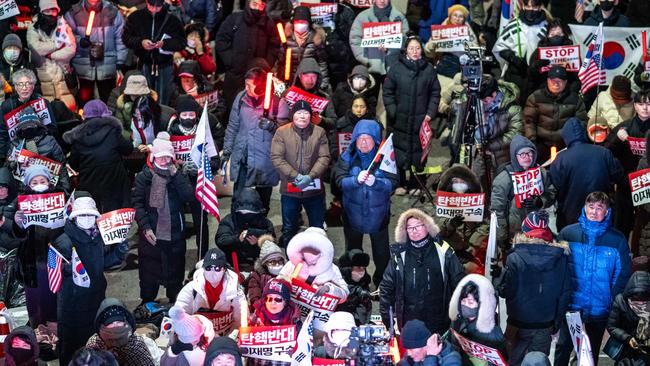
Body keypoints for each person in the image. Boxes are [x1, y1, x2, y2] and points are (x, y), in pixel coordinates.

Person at [554, 192, 633, 366]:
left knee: (591, 351)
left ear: (607, 211)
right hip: (571, 304)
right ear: (584, 207)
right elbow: (558, 268)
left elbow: (623, 273)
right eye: (591, 206)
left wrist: (612, 299)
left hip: (600, 306)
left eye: (599, 208)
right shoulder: (568, 234)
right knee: (563, 348)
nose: (594, 211)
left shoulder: (617, 239)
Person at [52, 194, 129, 364]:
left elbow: (106, 262)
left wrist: (120, 249)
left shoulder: (98, 237)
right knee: (71, 347)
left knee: (94, 346)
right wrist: (65, 269)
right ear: (74, 217)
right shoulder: (64, 241)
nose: (86, 219)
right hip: (73, 305)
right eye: (82, 215)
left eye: (90, 215)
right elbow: (54, 272)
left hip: (95, 299)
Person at [494, 210, 571, 365]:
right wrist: (556, 323)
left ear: (526, 231)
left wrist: (498, 277)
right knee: (537, 362)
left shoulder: (514, 258)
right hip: (545, 325)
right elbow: (565, 293)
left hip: (516, 324)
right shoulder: (561, 257)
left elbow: (504, 291)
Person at [379, 208, 465, 334]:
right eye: (409, 227)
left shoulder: (443, 251)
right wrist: (388, 319)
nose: (414, 231)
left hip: (440, 322)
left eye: (418, 226)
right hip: (409, 324)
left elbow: (459, 282)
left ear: (427, 226)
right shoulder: (399, 256)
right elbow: (386, 288)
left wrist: (460, 317)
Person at [132, 132, 194, 304]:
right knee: (149, 274)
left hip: (175, 235)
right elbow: (138, 205)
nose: (165, 161)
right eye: (161, 158)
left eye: (168, 158)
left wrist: (176, 176)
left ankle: (175, 302)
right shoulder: (144, 177)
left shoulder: (177, 175)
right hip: (152, 236)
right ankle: (147, 304)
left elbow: (188, 196)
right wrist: (145, 227)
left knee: (175, 273)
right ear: (153, 158)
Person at [335, 119, 396, 285]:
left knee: (381, 254)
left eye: (368, 138)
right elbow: (339, 180)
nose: (363, 142)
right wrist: (355, 180)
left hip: (379, 216)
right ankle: (356, 281)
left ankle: (382, 283)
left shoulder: (385, 158)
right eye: (360, 138)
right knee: (354, 252)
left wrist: (376, 183)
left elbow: (393, 183)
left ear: (375, 140)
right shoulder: (347, 156)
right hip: (353, 216)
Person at [383, 36, 440, 195]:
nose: (415, 52)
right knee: (398, 152)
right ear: (405, 51)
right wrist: (393, 110)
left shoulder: (428, 70)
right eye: (411, 48)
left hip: (420, 121)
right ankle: (400, 182)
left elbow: (435, 93)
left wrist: (430, 113)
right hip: (399, 120)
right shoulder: (396, 68)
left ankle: (416, 184)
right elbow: (387, 91)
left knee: (419, 154)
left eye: (417, 48)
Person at [271, 101, 330, 246]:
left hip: (314, 191)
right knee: (289, 228)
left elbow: (324, 157)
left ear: (310, 116)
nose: (302, 116)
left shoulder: (319, 132)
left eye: (306, 113)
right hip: (290, 191)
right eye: (299, 113)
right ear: (293, 115)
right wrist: (295, 176)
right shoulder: (282, 132)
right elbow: (276, 157)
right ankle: (291, 261)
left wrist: (310, 176)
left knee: (317, 228)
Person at [13, 165, 65, 327]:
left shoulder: (59, 198)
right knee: (35, 300)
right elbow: (18, 236)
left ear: (49, 182)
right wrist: (17, 223)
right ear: (29, 184)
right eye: (34, 182)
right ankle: (38, 332)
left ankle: (55, 331)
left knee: (54, 297)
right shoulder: (22, 202)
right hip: (32, 262)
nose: (39, 184)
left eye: (42, 180)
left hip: (54, 257)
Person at [223, 67, 280, 214]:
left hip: (264, 161)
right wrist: (227, 151)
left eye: (250, 85)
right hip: (244, 157)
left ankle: (260, 231)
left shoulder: (275, 101)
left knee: (262, 203)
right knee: (238, 199)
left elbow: (286, 129)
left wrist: (272, 126)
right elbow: (233, 126)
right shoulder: (241, 98)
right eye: (245, 84)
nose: (246, 88)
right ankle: (236, 229)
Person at [550, 118, 624, 230]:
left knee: (572, 246)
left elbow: (554, 187)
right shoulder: (604, 153)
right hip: (600, 216)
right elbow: (619, 176)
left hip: (569, 219)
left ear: (565, 137)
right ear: (585, 133)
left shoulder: (560, 159)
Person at [63, 100, 133, 213]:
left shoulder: (78, 137)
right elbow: (128, 149)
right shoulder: (113, 132)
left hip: (89, 187)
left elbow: (74, 165)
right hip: (115, 185)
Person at [215, 0, 281, 118]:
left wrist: (266, 64)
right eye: (254, 4)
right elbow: (221, 40)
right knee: (232, 108)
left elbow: (274, 45)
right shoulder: (235, 19)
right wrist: (231, 60)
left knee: (255, 111)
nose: (257, 8)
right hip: (235, 74)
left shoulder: (268, 23)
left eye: (261, 5)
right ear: (248, 3)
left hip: (258, 77)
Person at [490, 135, 554, 248]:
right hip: (514, 234)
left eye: (530, 153)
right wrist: (502, 238)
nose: (527, 157)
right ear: (515, 156)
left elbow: (552, 193)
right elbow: (497, 212)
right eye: (522, 154)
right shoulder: (504, 179)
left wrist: (541, 201)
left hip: (538, 233)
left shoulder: (542, 173)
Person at [461, 75, 522, 190]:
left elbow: (516, 133)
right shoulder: (478, 101)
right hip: (476, 152)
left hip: (500, 156)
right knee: (475, 184)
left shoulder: (511, 107)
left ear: (494, 94)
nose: (483, 102)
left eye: (485, 100)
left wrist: (491, 145)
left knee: (497, 187)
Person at [121, 0, 185, 105]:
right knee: (143, 97)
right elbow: (126, 38)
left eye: (158, 6)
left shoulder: (172, 19)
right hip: (144, 63)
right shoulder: (135, 17)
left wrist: (165, 43)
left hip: (165, 65)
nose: (154, 9)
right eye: (152, 6)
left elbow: (181, 42)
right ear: (146, 2)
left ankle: (162, 118)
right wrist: (140, 42)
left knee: (163, 99)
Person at [64, 0, 128, 104]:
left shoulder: (112, 12)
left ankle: (108, 120)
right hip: (83, 66)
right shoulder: (74, 13)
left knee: (108, 101)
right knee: (84, 102)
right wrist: (80, 40)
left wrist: (120, 60)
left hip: (107, 65)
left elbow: (120, 37)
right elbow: (67, 35)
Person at [605, 90, 650, 236]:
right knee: (621, 223)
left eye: (648, 104)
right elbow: (607, 151)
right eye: (641, 104)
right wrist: (618, 139)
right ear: (635, 106)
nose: (645, 108)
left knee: (644, 226)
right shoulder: (624, 126)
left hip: (648, 183)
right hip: (626, 182)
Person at [523, 65, 588, 163]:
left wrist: (574, 143)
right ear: (548, 80)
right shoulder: (535, 97)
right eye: (553, 80)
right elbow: (528, 121)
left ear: (566, 82)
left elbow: (581, 123)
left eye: (560, 81)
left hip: (566, 145)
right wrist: (532, 142)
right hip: (541, 144)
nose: (556, 84)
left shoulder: (575, 100)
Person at [175, 247, 245, 335]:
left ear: (224, 269)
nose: (212, 272)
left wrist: (229, 339)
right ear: (203, 268)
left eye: (217, 268)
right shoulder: (191, 289)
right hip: (198, 337)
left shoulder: (236, 290)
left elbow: (241, 320)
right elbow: (180, 316)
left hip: (226, 337)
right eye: (208, 268)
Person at [435, 164, 489, 273]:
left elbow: (486, 227)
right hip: (449, 250)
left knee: (476, 271)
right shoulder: (443, 200)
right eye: (456, 180)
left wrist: (471, 226)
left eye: (462, 181)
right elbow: (436, 230)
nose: (459, 183)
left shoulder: (477, 200)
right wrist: (450, 225)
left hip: (472, 250)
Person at [26, 0, 77, 111]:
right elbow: (36, 48)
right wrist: (57, 44)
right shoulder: (33, 28)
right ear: (41, 12)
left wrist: (50, 55)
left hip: (62, 74)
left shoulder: (64, 26)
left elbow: (71, 49)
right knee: (46, 111)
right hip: (42, 75)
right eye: (47, 10)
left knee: (68, 109)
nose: (50, 14)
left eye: (53, 10)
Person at [0, 69, 57, 165]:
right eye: (20, 84)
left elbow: (53, 128)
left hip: (40, 146)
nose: (24, 88)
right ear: (16, 87)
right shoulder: (7, 105)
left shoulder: (43, 103)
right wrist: (2, 157)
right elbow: (2, 133)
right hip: (16, 148)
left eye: (28, 83)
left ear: (33, 86)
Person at [7, 107, 70, 193]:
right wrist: (15, 162)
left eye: (32, 125)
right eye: (25, 127)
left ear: (38, 125)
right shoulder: (15, 144)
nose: (28, 129)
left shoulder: (50, 140)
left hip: (49, 189)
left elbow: (61, 167)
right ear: (21, 128)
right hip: (24, 191)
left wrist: (65, 190)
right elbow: (8, 168)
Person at [277, 228, 349, 302]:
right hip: (292, 306)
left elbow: (344, 294)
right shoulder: (293, 263)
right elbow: (277, 282)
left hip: (316, 308)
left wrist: (329, 289)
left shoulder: (332, 268)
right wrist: (284, 282)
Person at [449, 274, 507, 365]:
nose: (465, 305)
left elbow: (502, 361)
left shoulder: (494, 335)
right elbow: (453, 345)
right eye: (463, 301)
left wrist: (487, 364)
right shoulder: (457, 321)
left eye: (470, 302)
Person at [215, 188, 275, 271]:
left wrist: (258, 243)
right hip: (233, 263)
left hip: (258, 264)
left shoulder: (265, 222)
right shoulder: (229, 220)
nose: (246, 215)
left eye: (251, 213)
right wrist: (237, 239)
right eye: (242, 212)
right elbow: (220, 240)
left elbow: (273, 244)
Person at [493, 0, 548, 89]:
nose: (531, 10)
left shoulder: (546, 27)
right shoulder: (513, 24)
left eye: (534, 7)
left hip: (538, 79)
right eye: (528, 6)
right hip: (515, 75)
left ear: (540, 7)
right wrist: (512, 58)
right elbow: (499, 48)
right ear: (523, 6)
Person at [423, 4, 478, 92]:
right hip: (444, 66)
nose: (457, 18)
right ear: (450, 16)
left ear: (464, 19)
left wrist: (467, 45)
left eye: (461, 16)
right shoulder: (442, 29)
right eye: (455, 15)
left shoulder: (467, 30)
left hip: (463, 66)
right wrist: (431, 46)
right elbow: (428, 51)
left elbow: (476, 50)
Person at [86, 298, 156, 366]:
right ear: (100, 335)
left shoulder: (136, 345)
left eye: (120, 339)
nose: (115, 344)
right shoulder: (94, 344)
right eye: (110, 340)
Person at [349, 0, 409, 77]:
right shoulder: (363, 16)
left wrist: (390, 49)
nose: (382, 1)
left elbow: (406, 40)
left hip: (393, 67)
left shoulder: (399, 17)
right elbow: (355, 40)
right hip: (371, 67)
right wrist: (366, 60)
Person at [277, 58, 337, 131]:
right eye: (307, 76)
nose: (310, 80)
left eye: (313, 76)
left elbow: (333, 122)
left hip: (314, 139)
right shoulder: (287, 93)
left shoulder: (324, 97)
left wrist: (321, 121)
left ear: (318, 78)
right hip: (291, 137)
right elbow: (278, 117)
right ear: (300, 76)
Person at [278, 6, 329, 91]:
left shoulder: (316, 39)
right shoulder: (286, 39)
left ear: (308, 23)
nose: (300, 24)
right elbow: (280, 61)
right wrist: (279, 80)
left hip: (309, 82)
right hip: (291, 81)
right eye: (297, 21)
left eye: (303, 22)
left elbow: (322, 63)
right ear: (293, 22)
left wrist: (323, 83)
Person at [606, 270, 650, 365]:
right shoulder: (620, 301)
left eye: (644, 297)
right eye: (636, 297)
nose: (641, 301)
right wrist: (628, 338)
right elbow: (612, 326)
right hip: (626, 349)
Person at [245, 235, 287, 307]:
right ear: (265, 264)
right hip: (265, 306)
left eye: (280, 261)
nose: (277, 264)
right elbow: (254, 291)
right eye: (272, 262)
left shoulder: (287, 274)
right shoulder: (257, 276)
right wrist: (258, 304)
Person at [335, 250, 372, 325]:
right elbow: (339, 292)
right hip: (338, 320)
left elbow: (364, 308)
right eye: (358, 267)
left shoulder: (364, 282)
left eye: (364, 267)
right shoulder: (335, 278)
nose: (361, 271)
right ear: (349, 268)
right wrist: (356, 291)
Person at [0, 34, 34, 99]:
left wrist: (14, 90)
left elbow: (36, 88)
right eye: (9, 47)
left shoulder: (28, 66)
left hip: (21, 104)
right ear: (4, 49)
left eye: (16, 48)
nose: (12, 51)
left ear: (20, 50)